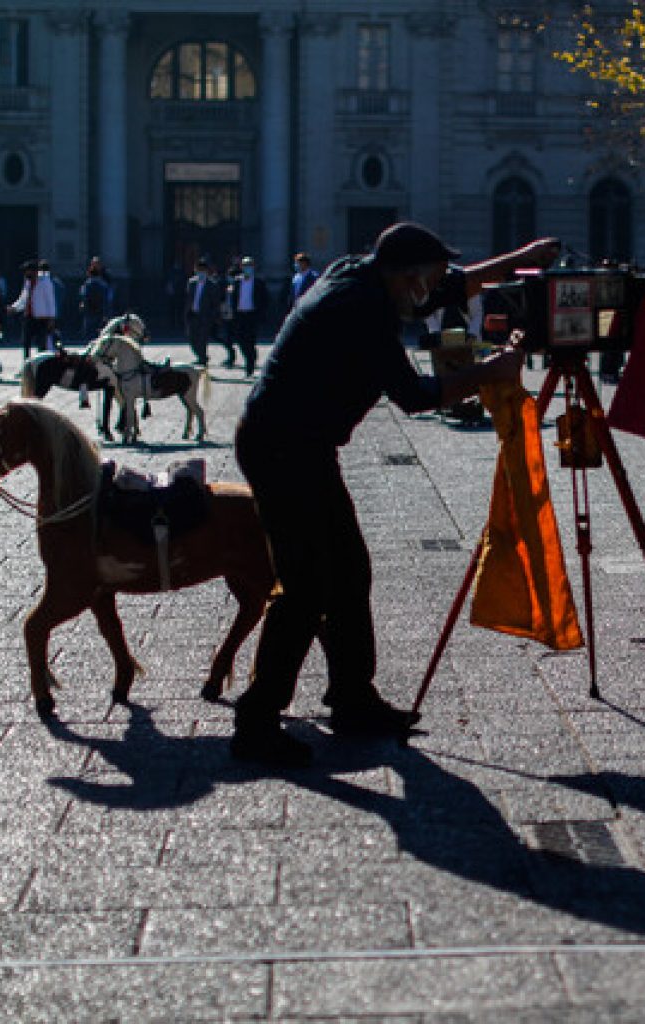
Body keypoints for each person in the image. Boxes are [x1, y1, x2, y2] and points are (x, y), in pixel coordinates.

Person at [230, 222, 561, 766]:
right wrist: (492, 371)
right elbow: (412, 395)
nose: (432, 290)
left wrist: (523, 257)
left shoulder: (363, 272)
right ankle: (257, 721)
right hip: (283, 448)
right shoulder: (361, 309)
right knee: (307, 585)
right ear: (407, 277)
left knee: (349, 572)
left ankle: (353, 700)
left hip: (300, 445)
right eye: (426, 280)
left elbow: (454, 285)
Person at [7, 258, 56, 359]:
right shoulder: (28, 282)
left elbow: (50, 301)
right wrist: (14, 308)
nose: (25, 273)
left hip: (42, 318)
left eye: (27, 271)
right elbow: (23, 298)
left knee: (41, 344)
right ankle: (27, 364)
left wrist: (51, 318)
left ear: (35, 271)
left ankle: (42, 364)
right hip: (29, 317)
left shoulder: (45, 282)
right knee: (26, 343)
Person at [228, 256, 269, 376]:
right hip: (240, 315)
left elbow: (265, 299)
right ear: (241, 267)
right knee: (240, 340)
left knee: (250, 340)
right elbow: (234, 298)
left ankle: (249, 365)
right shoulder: (237, 281)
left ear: (254, 267)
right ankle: (250, 357)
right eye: (245, 265)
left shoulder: (258, 282)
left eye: (250, 265)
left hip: (252, 315)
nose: (247, 268)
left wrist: (261, 314)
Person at [184, 257, 219, 366]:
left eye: (203, 271)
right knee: (192, 339)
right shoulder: (191, 283)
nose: (201, 273)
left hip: (205, 316)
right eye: (199, 270)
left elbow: (215, 303)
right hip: (193, 315)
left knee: (202, 340)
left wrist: (213, 317)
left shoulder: (212, 285)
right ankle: (202, 356)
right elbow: (188, 298)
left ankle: (202, 360)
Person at [79, 259, 112, 341]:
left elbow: (83, 296)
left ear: (89, 274)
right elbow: (107, 300)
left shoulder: (87, 285)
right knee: (100, 333)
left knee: (89, 334)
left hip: (90, 312)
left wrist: (83, 306)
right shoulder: (104, 285)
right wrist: (106, 313)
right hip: (100, 312)